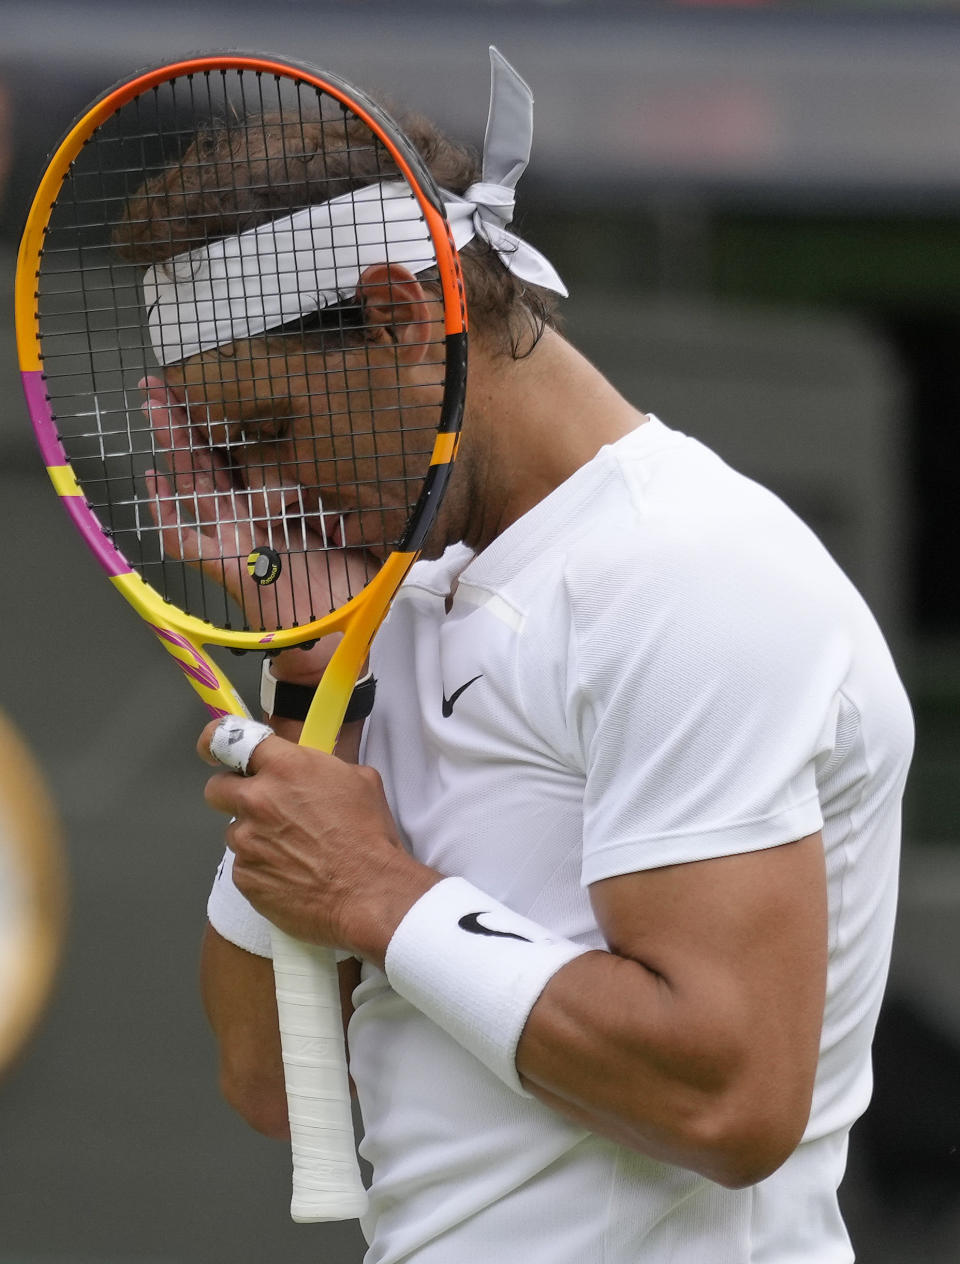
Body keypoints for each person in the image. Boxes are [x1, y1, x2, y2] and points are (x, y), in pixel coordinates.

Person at [133, 49, 913, 1264]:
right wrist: (307, 688)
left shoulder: (691, 575)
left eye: (272, 433)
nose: (264, 498)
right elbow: (273, 1083)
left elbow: (731, 1102)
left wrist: (381, 895)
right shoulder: (393, 603)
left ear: (399, 316)